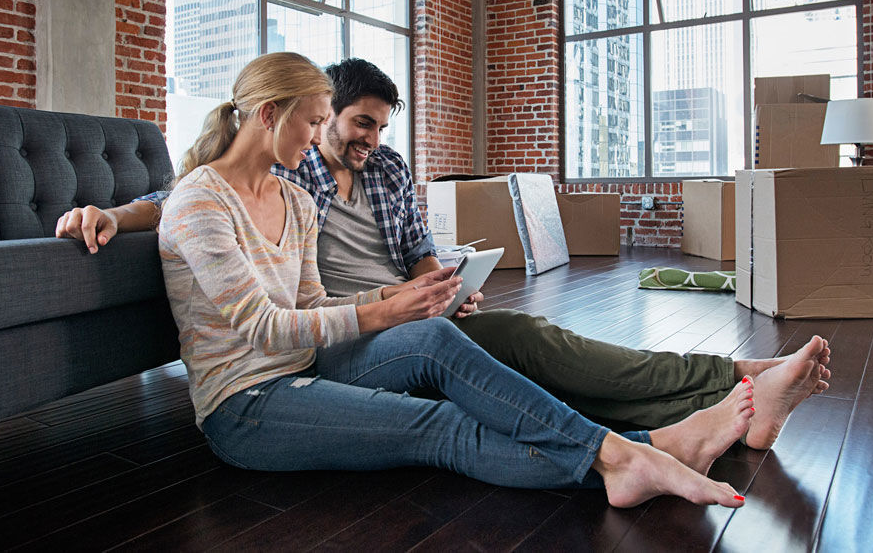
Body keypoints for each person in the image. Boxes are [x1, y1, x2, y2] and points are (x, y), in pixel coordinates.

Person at [57, 58, 831, 451]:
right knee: (508, 374)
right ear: (315, 115)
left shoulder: (387, 170)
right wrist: (110, 211)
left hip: (405, 314)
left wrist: (445, 284)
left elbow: (421, 254)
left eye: (379, 126)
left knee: (537, 344)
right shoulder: (285, 171)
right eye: (356, 121)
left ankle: (726, 389)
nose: (370, 138)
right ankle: (711, 404)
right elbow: (187, 198)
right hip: (352, 337)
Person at [154, 51, 757, 508]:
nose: (315, 138)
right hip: (247, 405)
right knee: (440, 426)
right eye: (312, 123)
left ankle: (630, 455)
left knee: (440, 340)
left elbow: (311, 302)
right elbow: (261, 329)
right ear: (268, 115)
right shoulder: (200, 202)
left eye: (318, 124)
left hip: (311, 362)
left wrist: (399, 296)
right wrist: (380, 313)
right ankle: (638, 453)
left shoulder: (294, 199)